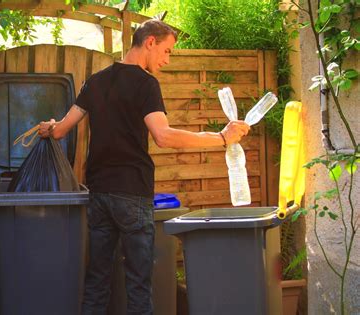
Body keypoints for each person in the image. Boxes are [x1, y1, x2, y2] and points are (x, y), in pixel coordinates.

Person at [39, 19, 250, 315]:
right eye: (166, 51)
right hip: (131, 194)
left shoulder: (95, 81)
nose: (166, 59)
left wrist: (48, 127)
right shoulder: (145, 84)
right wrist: (221, 138)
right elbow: (163, 136)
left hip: (99, 193)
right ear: (149, 42)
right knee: (138, 283)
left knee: (97, 280)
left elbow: (60, 130)